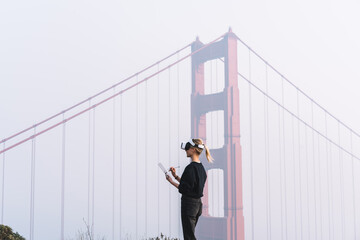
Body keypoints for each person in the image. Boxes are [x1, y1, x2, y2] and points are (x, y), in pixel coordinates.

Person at [165, 138, 213, 240]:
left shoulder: (190, 168)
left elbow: (184, 188)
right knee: (190, 234)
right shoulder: (202, 169)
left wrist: (171, 181)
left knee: (189, 237)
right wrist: (175, 176)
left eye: (187, 148)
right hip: (198, 205)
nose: (185, 150)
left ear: (193, 150)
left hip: (189, 205)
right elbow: (191, 186)